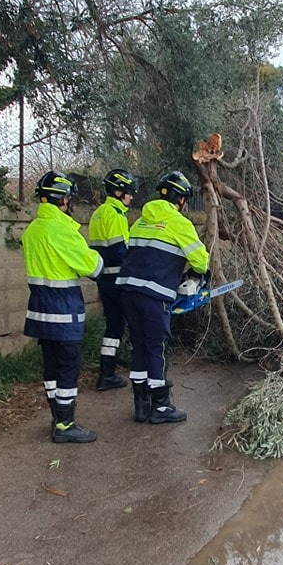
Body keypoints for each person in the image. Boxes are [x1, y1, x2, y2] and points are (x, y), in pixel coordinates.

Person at [116, 170, 209, 425]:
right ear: (180, 199)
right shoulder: (179, 223)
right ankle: (161, 405)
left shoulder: (140, 222)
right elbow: (201, 259)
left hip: (127, 291)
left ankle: (141, 404)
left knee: (139, 345)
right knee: (157, 348)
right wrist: (199, 275)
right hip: (154, 296)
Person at [22, 171, 104, 443]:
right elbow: (92, 267)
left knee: (51, 367)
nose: (70, 202)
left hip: (39, 308)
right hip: (63, 309)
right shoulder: (64, 232)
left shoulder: (32, 231)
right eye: (68, 198)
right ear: (62, 200)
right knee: (69, 367)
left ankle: (57, 418)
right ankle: (66, 425)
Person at [88, 168, 139, 390]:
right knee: (134, 323)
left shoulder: (98, 213)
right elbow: (122, 251)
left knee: (114, 326)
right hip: (119, 280)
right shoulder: (116, 215)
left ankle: (106, 372)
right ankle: (136, 369)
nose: (131, 197)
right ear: (118, 192)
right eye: (129, 192)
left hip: (104, 280)